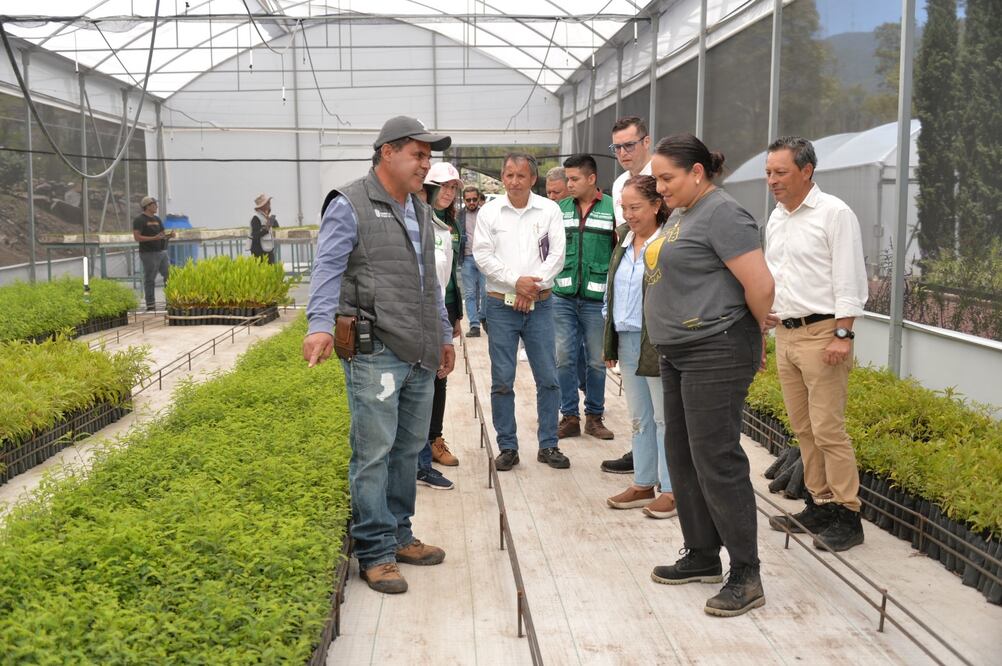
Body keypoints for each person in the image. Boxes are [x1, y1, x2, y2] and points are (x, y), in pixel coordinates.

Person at [302, 116, 455, 595]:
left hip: (419, 350)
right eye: (418, 155)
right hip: (376, 350)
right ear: (387, 152)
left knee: (408, 450)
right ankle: (374, 551)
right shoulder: (349, 204)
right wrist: (319, 325)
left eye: (428, 157)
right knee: (373, 453)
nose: (425, 165)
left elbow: (430, 283)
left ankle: (400, 535)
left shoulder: (420, 210)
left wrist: (444, 334)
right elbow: (327, 268)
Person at [645, 134, 774, 618]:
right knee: (682, 455)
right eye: (657, 179)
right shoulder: (683, 212)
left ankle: (746, 573)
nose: (660, 187)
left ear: (697, 172)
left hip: (715, 348)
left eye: (667, 178)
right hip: (679, 350)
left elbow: (761, 284)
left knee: (717, 458)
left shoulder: (723, 213)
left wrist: (754, 333)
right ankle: (701, 553)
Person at [762, 136, 868, 552]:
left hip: (824, 335)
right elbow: (778, 276)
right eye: (769, 173)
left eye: (780, 172)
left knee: (828, 429)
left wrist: (843, 334)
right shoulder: (777, 218)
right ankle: (820, 503)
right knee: (804, 428)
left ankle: (848, 515)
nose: (772, 180)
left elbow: (849, 278)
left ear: (806, 171)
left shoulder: (834, 213)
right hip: (787, 334)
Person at [473, 153, 568, 471]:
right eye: (509, 175)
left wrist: (530, 287)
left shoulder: (549, 210)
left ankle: (549, 444)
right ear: (502, 177)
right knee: (502, 379)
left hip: (540, 304)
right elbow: (483, 256)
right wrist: (516, 283)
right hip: (501, 305)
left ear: (533, 179)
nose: (514, 181)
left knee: (548, 377)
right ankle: (508, 446)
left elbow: (557, 255)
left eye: (521, 176)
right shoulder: (489, 212)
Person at [602, 175, 676, 519]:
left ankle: (672, 489)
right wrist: (609, 332)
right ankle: (643, 482)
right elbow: (612, 287)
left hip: (656, 341)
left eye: (636, 207)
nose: (629, 214)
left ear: (656, 205)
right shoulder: (623, 240)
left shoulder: (668, 241)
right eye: (624, 207)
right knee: (639, 418)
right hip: (628, 337)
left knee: (664, 417)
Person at [603, 115, 655, 475]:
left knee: (661, 406)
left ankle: (666, 479)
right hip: (629, 307)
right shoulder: (621, 182)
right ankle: (642, 460)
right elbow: (624, 239)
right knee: (638, 402)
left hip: (656, 301)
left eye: (629, 145)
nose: (623, 152)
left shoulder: (663, 175)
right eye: (617, 147)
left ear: (646, 142)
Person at [553, 154, 615, 441]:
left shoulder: (613, 208)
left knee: (596, 361)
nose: (569, 184)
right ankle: (569, 417)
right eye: (568, 179)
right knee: (564, 358)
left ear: (592, 179)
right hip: (562, 297)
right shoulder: (559, 210)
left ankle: (594, 417)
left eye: (574, 179)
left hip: (596, 300)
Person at [417, 162, 465, 490]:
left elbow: (450, 277)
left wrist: (453, 315)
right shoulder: (416, 221)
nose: (447, 193)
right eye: (442, 186)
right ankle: (417, 453)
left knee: (439, 377)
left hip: (441, 309)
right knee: (420, 381)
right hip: (416, 313)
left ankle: (434, 440)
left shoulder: (449, 227)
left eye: (452, 188)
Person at [132, 195, 174, 311]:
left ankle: (170, 303)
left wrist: (169, 235)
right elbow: (137, 237)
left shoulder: (157, 219)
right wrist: (153, 238)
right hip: (148, 253)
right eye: (154, 204)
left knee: (169, 277)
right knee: (150, 279)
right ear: (147, 206)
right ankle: (151, 306)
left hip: (162, 252)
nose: (156, 206)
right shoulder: (139, 220)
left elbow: (162, 235)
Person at [459, 185, 486, 337]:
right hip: (467, 257)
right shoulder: (459, 215)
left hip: (484, 258)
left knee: (486, 292)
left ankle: (483, 316)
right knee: (470, 294)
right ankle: (474, 325)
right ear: (464, 200)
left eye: (474, 199)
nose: (471, 202)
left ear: (478, 199)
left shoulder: (486, 214)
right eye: (468, 200)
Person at [250, 193, 280, 264]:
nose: (269, 204)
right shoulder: (256, 218)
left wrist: (271, 221)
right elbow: (255, 234)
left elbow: (277, 227)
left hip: (268, 250)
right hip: (259, 252)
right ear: (262, 206)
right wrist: (266, 229)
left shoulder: (267, 217)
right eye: (267, 203)